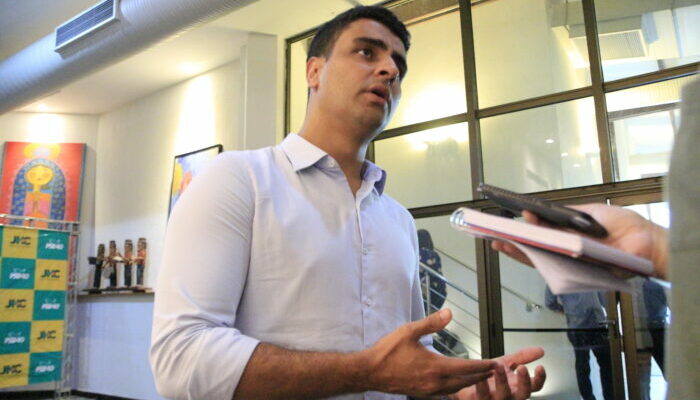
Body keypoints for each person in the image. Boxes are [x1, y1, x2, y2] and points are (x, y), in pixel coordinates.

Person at [151, 6, 545, 400]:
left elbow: (410, 361)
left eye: (399, 66)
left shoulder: (398, 219)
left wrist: (461, 391)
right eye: (366, 52)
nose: (389, 70)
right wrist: (367, 372)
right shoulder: (238, 180)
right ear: (314, 72)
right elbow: (181, 358)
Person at [492, 76, 700, 399]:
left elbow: (610, 297)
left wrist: (656, 249)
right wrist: (656, 249)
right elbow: (552, 300)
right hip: (580, 327)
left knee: (608, 367)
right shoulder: (565, 276)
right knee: (583, 367)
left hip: (604, 326)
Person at [544, 287, 613, 400]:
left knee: (586, 366)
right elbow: (604, 299)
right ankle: (604, 397)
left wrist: (568, 310)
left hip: (583, 324)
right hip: (591, 324)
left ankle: (595, 398)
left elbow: (550, 302)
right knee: (599, 366)